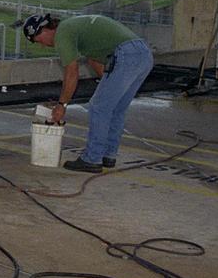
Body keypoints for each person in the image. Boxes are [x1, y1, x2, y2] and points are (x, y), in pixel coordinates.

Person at [21, 13, 154, 173]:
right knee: (115, 108)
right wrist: (108, 85)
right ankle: (108, 155)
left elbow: (71, 73)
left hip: (127, 55)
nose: (42, 45)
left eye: (38, 40)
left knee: (98, 107)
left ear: (44, 29)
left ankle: (92, 159)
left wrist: (62, 105)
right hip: (143, 55)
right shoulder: (74, 27)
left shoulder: (62, 33)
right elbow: (95, 60)